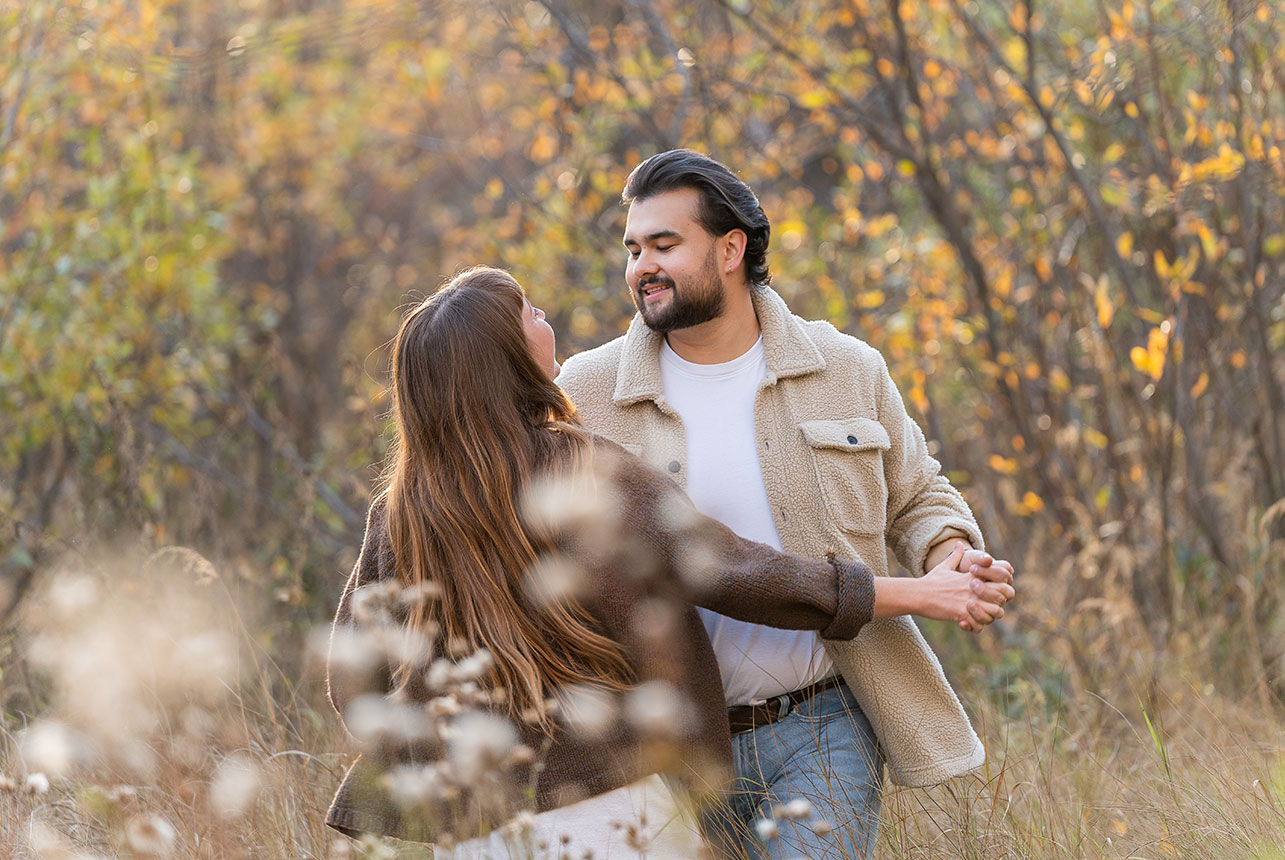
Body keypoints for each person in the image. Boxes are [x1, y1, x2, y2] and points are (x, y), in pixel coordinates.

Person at [324, 266, 1014, 858]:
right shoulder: (583, 470)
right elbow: (735, 571)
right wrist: (914, 594)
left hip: (476, 832)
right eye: (528, 312)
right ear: (502, 355)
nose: (543, 318)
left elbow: (352, 676)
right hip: (615, 809)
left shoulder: (401, 512)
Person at [556, 150, 1016, 858]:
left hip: (822, 724)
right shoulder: (584, 395)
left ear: (731, 247)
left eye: (664, 245)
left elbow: (919, 494)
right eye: (632, 248)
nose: (640, 266)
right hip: (662, 747)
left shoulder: (845, 369)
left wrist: (952, 557)